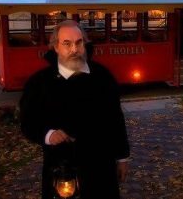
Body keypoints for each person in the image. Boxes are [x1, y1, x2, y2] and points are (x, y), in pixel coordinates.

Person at [20, 20, 130, 199]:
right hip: (62, 170)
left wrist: (122, 158)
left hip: (101, 169)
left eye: (79, 43)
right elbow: (27, 122)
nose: (74, 49)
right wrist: (48, 135)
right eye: (67, 43)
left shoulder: (102, 76)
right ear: (55, 47)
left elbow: (116, 119)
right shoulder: (39, 83)